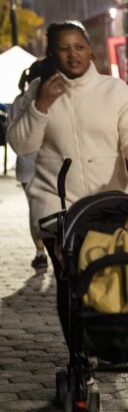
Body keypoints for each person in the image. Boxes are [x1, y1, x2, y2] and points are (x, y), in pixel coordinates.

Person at [8, 21, 128, 251]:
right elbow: (21, 145)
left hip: (110, 203)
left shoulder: (115, 90)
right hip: (57, 207)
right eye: (64, 49)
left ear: (90, 51)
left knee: (112, 269)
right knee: (71, 271)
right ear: (51, 55)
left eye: (79, 47)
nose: (73, 55)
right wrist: (41, 105)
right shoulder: (37, 91)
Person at [8, 61, 49, 268]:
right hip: (46, 164)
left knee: (35, 210)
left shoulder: (18, 102)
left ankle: (40, 251)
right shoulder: (50, 99)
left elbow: (12, 133)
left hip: (26, 166)